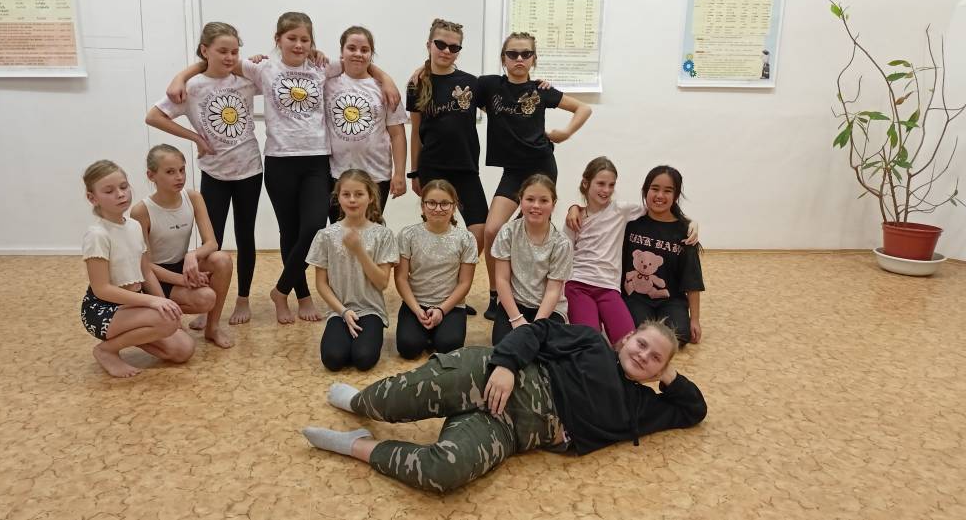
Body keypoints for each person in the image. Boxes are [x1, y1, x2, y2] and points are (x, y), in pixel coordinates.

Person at [166, 12, 399, 325]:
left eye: (305, 39)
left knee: (313, 227)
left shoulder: (321, 66)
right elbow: (216, 62)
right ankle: (300, 296)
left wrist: (387, 79)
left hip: (317, 159)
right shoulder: (263, 68)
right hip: (279, 161)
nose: (299, 44)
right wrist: (180, 77)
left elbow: (357, 62)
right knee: (289, 232)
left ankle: (280, 290)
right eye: (292, 38)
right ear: (278, 39)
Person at [301, 318, 707, 493]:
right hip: (499, 377)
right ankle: (359, 402)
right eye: (641, 344)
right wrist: (508, 365)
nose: (643, 355)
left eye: (654, 358)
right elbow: (538, 331)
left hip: (509, 432)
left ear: (659, 371)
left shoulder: (643, 407)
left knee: (445, 473)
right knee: (394, 402)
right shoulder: (592, 343)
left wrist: (668, 372)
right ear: (626, 338)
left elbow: (694, 410)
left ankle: (356, 444)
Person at [146, 22, 262, 326]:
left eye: (235, 51)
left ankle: (243, 299)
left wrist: (255, 62)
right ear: (205, 51)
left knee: (246, 236)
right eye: (222, 51)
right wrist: (195, 137)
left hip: (250, 169)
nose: (229, 57)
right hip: (215, 173)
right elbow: (153, 117)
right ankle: (209, 306)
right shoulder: (193, 87)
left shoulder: (246, 79)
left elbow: (278, 79)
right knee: (214, 241)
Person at [478, 31, 591, 321]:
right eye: (512, 54)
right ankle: (496, 293)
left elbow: (583, 108)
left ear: (534, 59)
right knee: (492, 230)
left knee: (533, 232)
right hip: (513, 171)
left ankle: (538, 292)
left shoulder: (541, 90)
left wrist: (565, 133)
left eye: (525, 54)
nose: (519, 59)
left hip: (541, 167)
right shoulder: (490, 86)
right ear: (503, 59)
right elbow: (454, 81)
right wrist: (422, 69)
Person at [563, 157, 698, 347]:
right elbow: (564, 257)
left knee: (628, 342)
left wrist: (691, 222)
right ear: (586, 183)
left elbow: (657, 207)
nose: (606, 190)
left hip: (609, 288)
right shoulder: (574, 219)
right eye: (601, 184)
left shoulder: (621, 211)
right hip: (579, 284)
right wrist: (573, 208)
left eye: (611, 185)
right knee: (590, 341)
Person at [80, 160, 195, 378]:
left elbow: (147, 272)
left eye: (124, 187)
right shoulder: (97, 235)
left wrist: (164, 303)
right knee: (166, 322)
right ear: (92, 198)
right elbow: (101, 289)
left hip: (132, 305)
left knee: (183, 350)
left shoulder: (134, 226)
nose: (120, 194)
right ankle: (106, 350)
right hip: (103, 310)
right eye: (109, 191)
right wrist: (152, 302)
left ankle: (137, 333)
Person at [406, 19, 486, 317]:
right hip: (433, 169)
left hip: (466, 168)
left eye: (454, 47)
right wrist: (414, 172)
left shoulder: (472, 83)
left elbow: (504, 101)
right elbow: (415, 132)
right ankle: (436, 294)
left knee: (480, 229)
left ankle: (454, 292)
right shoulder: (417, 83)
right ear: (429, 44)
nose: (446, 51)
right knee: (439, 231)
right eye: (440, 44)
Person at [130, 144, 234, 348]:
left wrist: (192, 255)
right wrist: (184, 280)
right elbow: (146, 266)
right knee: (206, 298)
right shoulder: (141, 211)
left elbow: (212, 243)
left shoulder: (193, 197)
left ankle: (212, 328)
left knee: (222, 259)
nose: (179, 177)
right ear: (151, 175)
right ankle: (165, 315)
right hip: (156, 277)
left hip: (182, 265)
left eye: (182, 170)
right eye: (170, 172)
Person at [306, 169, 398, 371]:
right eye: (346, 194)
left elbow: (382, 282)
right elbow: (321, 284)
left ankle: (364, 339)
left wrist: (359, 251)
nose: (352, 200)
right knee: (333, 359)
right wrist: (343, 311)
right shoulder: (325, 235)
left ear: (370, 197)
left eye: (359, 194)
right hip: (339, 310)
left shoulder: (383, 235)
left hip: (371, 310)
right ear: (338, 198)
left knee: (364, 359)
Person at [325, 26, 408, 222]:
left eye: (364, 50)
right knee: (340, 233)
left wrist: (399, 174)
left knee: (371, 232)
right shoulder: (328, 83)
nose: (358, 54)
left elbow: (397, 134)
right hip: (337, 174)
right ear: (341, 52)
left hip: (376, 176)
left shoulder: (385, 89)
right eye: (351, 48)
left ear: (371, 54)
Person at [394, 179, 478, 359]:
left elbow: (465, 283)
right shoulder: (407, 235)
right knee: (408, 347)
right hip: (416, 304)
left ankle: (435, 333)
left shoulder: (466, 239)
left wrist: (441, 310)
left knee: (449, 347)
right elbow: (401, 278)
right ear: (422, 206)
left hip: (450, 305)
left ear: (454, 206)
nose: (438, 209)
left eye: (445, 203)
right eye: (431, 203)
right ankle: (426, 333)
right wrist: (417, 309)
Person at [623, 166, 705, 346]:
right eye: (655, 189)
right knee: (637, 332)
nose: (660, 195)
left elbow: (692, 280)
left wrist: (695, 320)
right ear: (645, 190)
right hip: (635, 297)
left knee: (679, 335)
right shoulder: (631, 224)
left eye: (667, 191)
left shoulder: (685, 232)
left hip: (671, 300)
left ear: (676, 196)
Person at [490, 174, 572, 344]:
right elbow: (502, 280)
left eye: (544, 200)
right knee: (503, 346)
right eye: (530, 199)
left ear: (553, 204)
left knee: (545, 349)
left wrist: (535, 327)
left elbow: (553, 290)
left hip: (548, 309)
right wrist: (516, 319)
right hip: (515, 303)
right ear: (520, 200)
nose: (536, 205)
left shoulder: (561, 243)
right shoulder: (507, 232)